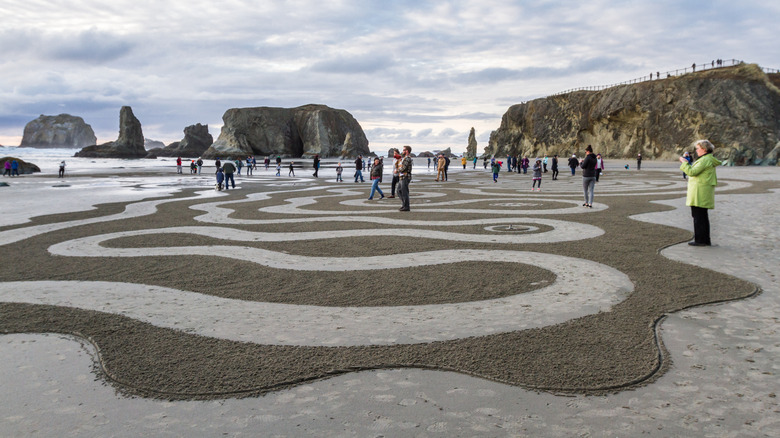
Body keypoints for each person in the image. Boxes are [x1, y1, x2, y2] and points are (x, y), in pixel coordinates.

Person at [680, 140, 721, 246]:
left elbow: (692, 172)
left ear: (704, 149)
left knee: (699, 216)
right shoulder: (706, 159)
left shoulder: (704, 160)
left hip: (700, 191)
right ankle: (704, 239)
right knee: (701, 216)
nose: (696, 151)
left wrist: (684, 163)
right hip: (702, 190)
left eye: (698, 148)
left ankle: (701, 240)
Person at [397, 145, 413, 211]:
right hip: (402, 177)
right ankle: (404, 204)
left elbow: (404, 168)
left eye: (404, 150)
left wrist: (397, 170)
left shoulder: (407, 158)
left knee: (404, 191)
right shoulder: (404, 158)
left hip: (405, 177)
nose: (402, 151)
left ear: (407, 151)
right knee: (399, 190)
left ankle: (406, 206)